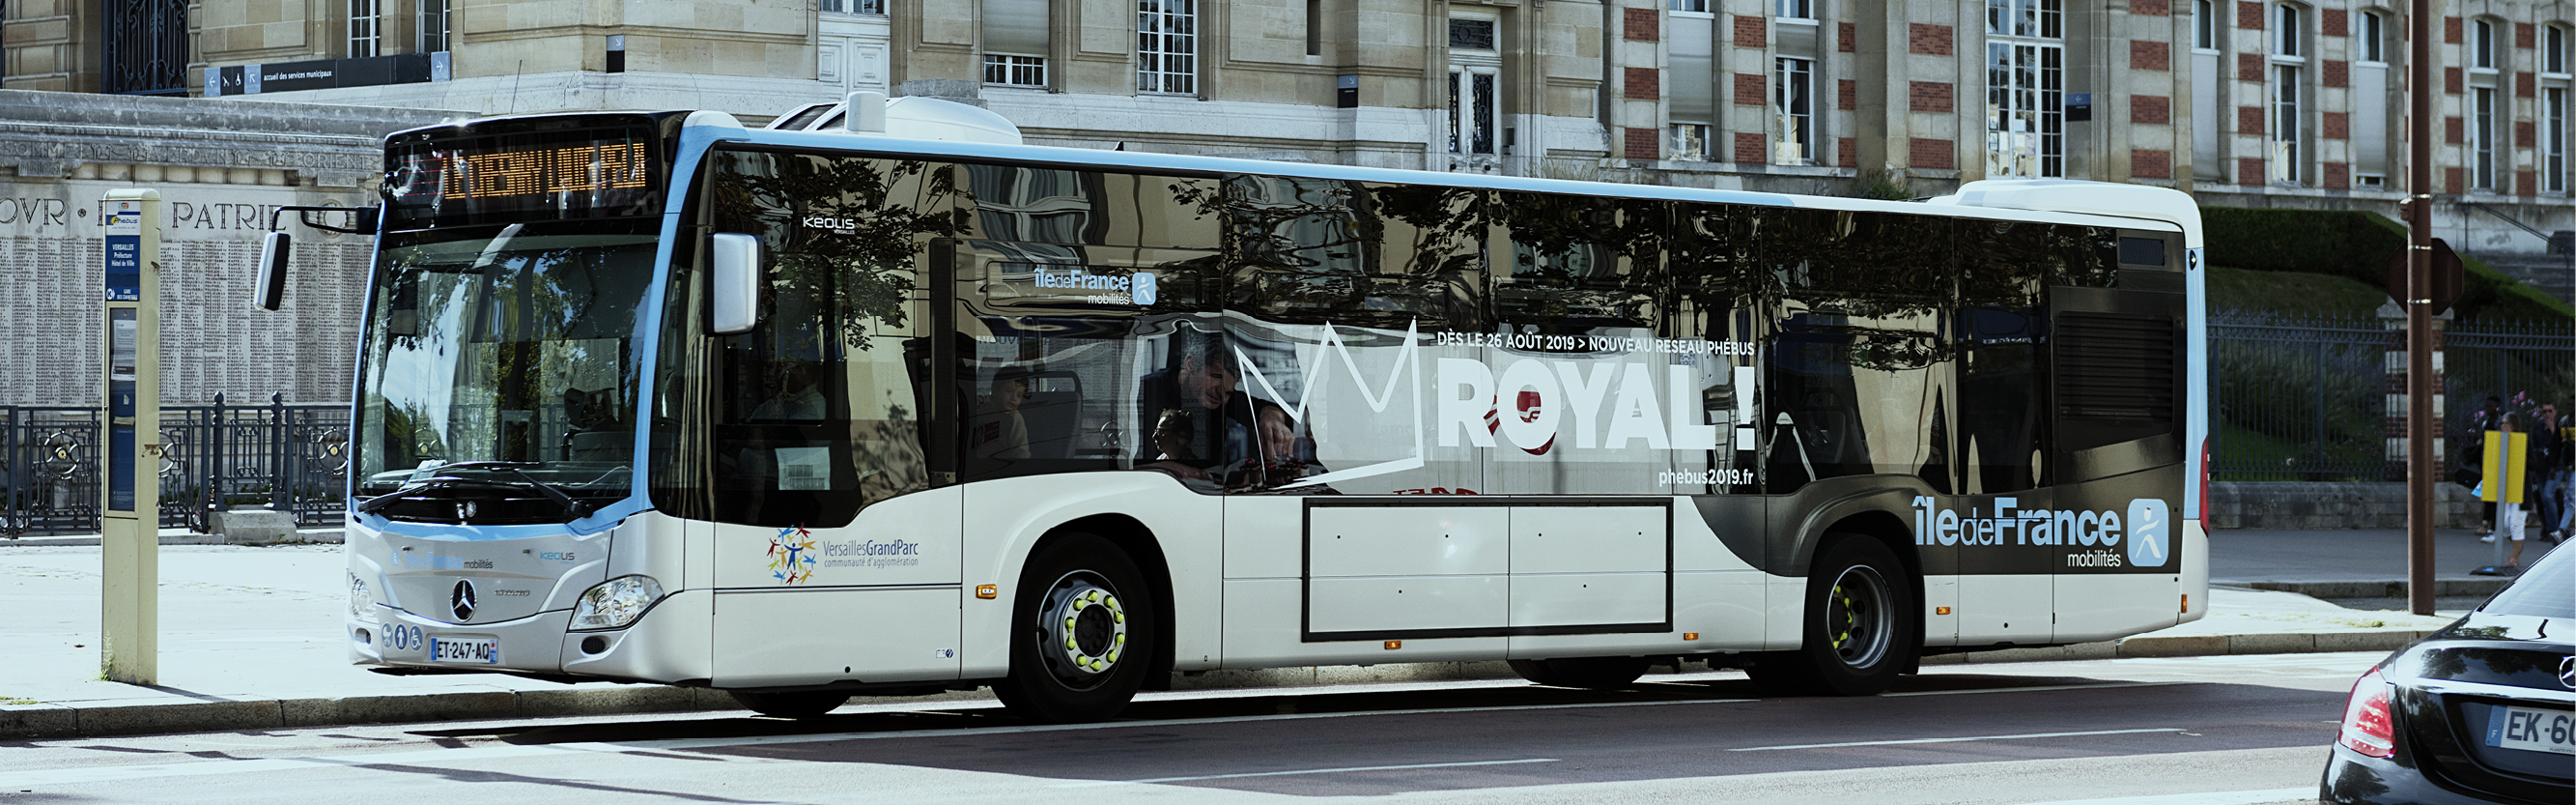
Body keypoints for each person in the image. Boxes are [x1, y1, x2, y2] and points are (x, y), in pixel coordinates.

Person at [1134, 327, 1256, 481]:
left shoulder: (1215, 393)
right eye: (1216, 376)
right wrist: (1161, 468)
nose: (1221, 395)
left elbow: (1259, 407)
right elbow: (1113, 463)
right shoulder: (1141, 393)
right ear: (1190, 364)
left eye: (1228, 392)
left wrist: (1271, 413)